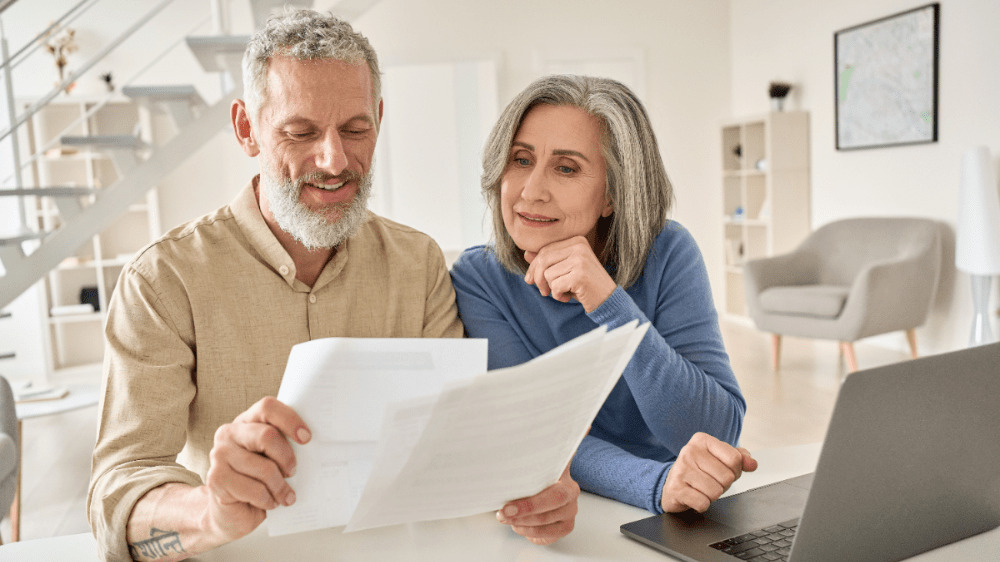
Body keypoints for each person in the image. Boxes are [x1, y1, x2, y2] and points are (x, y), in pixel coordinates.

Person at [87, 10, 573, 560]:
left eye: (356, 129)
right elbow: (117, 496)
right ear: (247, 128)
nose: (335, 160)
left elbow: (455, 446)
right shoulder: (163, 280)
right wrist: (208, 512)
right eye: (301, 132)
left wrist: (531, 488)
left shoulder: (418, 264)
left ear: (380, 120)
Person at [450, 75, 758, 519]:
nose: (531, 190)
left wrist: (610, 304)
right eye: (520, 160)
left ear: (612, 194)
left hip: (674, 506)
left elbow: (716, 430)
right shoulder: (479, 278)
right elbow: (534, 432)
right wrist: (654, 485)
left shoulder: (668, 252)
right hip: (561, 505)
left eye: (566, 168)